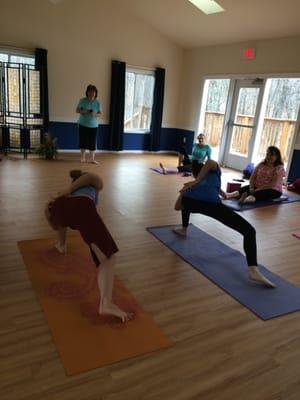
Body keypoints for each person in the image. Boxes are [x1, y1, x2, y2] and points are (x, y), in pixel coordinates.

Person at [45, 170, 133, 322]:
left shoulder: (71, 192)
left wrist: (51, 211)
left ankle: (61, 245)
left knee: (65, 220)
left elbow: (59, 223)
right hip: (81, 206)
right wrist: (69, 190)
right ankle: (106, 304)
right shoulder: (93, 182)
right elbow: (91, 177)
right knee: (108, 257)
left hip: (59, 206)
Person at [173, 159, 276, 288]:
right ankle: (253, 270)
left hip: (197, 204)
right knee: (249, 231)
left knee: (185, 203)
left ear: (197, 174)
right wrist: (192, 186)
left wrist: (185, 190)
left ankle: (184, 228)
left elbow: (177, 207)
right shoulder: (215, 174)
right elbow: (211, 163)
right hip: (214, 207)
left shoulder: (196, 184)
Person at [76, 84, 102, 164]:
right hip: (82, 124)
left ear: (95, 93)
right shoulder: (82, 100)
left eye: (93, 92)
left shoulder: (98, 102)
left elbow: (100, 114)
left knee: (92, 142)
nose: (91, 93)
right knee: (83, 141)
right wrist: (85, 111)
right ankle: (82, 158)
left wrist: (94, 114)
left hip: (94, 125)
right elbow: (77, 110)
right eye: (90, 92)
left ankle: (92, 159)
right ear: (87, 92)